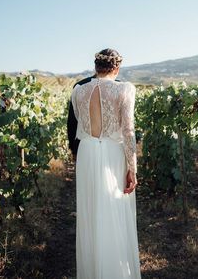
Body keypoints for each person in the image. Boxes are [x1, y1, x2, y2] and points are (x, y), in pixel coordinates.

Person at [69, 48, 141, 279]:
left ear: (96, 67)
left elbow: (78, 126)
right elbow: (128, 131)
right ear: (117, 68)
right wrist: (133, 168)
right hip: (112, 152)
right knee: (114, 208)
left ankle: (92, 271)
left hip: (88, 152)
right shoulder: (125, 89)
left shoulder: (78, 91)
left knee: (90, 211)